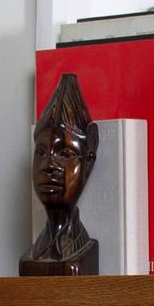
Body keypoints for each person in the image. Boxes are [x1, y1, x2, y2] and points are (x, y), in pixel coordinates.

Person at [21, 73, 99, 276]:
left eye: (65, 153)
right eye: (41, 153)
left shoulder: (82, 250)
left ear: (88, 159)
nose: (49, 165)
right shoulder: (35, 253)